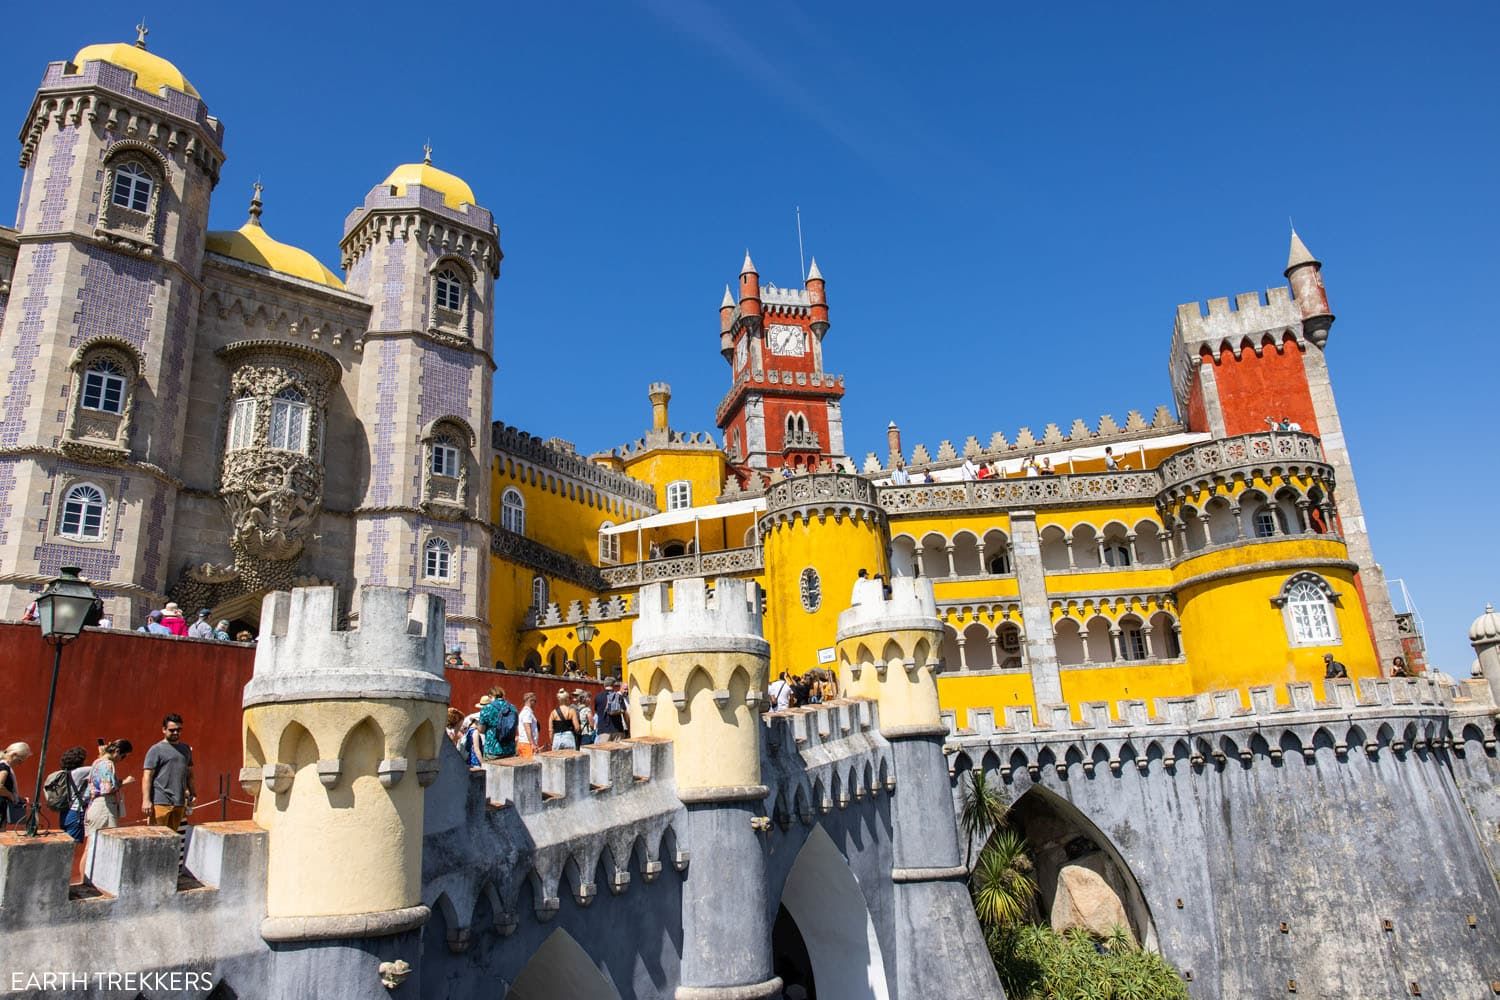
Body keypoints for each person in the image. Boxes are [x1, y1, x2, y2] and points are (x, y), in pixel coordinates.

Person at [84, 739, 134, 880]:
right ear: (117, 752)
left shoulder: (97, 762)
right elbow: (107, 789)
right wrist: (124, 782)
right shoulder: (107, 764)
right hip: (104, 807)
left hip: (96, 805)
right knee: (103, 845)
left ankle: (86, 880)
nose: (122, 760)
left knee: (91, 845)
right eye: (123, 756)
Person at [142, 713, 194, 831]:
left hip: (179, 802)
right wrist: (146, 800)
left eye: (179, 730)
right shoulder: (156, 749)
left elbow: (190, 774)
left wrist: (193, 793)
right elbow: (147, 776)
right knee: (157, 838)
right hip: (160, 801)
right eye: (172, 730)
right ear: (164, 730)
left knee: (173, 838)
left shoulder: (185, 749)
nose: (176, 732)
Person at [54, 746, 91, 842]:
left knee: (66, 843)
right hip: (76, 813)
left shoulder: (65, 773)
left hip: (65, 812)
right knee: (72, 845)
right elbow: (99, 766)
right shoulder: (80, 772)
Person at [478, 687, 519, 760]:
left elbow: (481, 729)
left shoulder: (487, 708)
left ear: (490, 696)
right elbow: (514, 727)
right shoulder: (512, 708)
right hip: (509, 749)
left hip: (492, 749)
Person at [0, 742, 32, 829]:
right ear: (14, 754)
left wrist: (18, 798)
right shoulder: (4, 767)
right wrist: (11, 795)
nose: (20, 764)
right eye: (20, 760)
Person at [593, 677, 629, 743]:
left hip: (603, 731)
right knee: (619, 752)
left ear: (604, 685)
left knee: (604, 752)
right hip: (618, 730)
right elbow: (625, 714)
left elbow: (597, 713)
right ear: (613, 685)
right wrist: (628, 728)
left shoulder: (598, 697)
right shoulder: (619, 697)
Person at [517, 692, 541, 758]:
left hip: (525, 743)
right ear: (531, 701)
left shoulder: (525, 712)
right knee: (529, 765)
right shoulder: (527, 712)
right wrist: (532, 744)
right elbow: (527, 727)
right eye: (535, 701)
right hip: (527, 744)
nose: (535, 704)